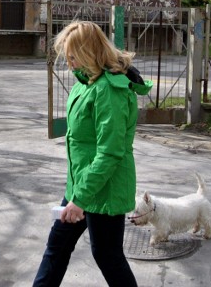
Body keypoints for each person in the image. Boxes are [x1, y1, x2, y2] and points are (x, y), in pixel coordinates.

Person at [33, 20, 153, 287]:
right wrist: (78, 194)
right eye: (67, 56)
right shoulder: (85, 82)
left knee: (108, 256)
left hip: (104, 190)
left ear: (89, 52)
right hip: (81, 186)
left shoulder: (110, 91)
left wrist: (81, 200)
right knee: (57, 246)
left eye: (73, 56)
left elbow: (110, 153)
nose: (69, 63)